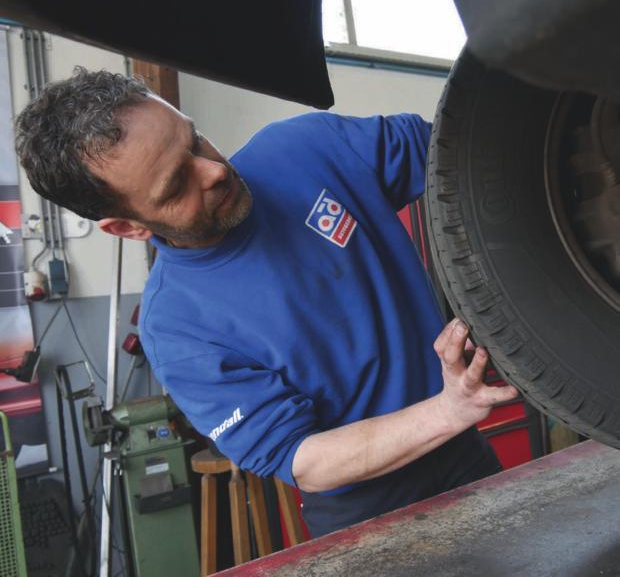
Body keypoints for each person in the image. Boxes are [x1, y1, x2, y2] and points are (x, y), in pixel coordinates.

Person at [15, 68, 518, 537]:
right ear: (128, 226)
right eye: (176, 184)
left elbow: (459, 154)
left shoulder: (307, 150)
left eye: (194, 140)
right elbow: (306, 460)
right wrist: (449, 409)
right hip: (367, 518)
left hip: (466, 457)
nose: (212, 171)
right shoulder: (177, 328)